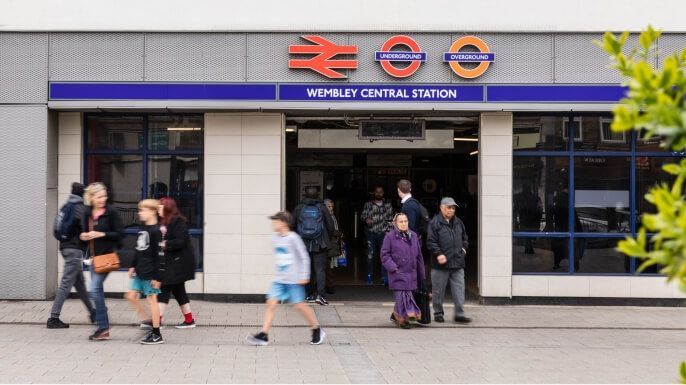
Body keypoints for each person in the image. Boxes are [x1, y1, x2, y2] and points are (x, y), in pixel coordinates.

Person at [246, 211, 326, 346]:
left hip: (294, 280)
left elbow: (304, 257)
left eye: (275, 221)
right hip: (280, 280)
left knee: (300, 306)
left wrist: (304, 276)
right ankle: (263, 335)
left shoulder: (293, 238)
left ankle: (316, 329)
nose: (273, 224)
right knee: (271, 303)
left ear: (283, 223)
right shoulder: (275, 238)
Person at [47, 182, 96, 329]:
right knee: (66, 284)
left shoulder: (66, 205)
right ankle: (53, 318)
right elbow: (84, 230)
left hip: (65, 248)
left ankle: (93, 312)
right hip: (74, 249)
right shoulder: (79, 208)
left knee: (79, 283)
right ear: (82, 194)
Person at [80, 182, 123, 341]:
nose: (102, 199)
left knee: (95, 289)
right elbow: (85, 234)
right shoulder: (87, 212)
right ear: (91, 197)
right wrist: (83, 237)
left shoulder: (111, 212)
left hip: (107, 257)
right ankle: (102, 324)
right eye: (99, 197)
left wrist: (101, 234)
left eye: (104, 196)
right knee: (97, 292)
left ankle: (103, 327)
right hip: (93, 259)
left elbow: (120, 233)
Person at [124, 199, 164, 345]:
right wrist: (132, 265)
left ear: (152, 211)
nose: (139, 213)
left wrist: (157, 276)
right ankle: (148, 321)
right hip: (140, 270)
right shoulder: (142, 228)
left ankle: (156, 333)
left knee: (152, 300)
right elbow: (137, 249)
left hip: (150, 272)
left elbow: (160, 255)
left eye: (142, 210)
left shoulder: (156, 231)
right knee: (130, 296)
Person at [426, 197, 471, 324]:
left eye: (453, 208)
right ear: (441, 208)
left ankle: (459, 314)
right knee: (438, 290)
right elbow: (430, 242)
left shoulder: (459, 222)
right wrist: (438, 253)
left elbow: (465, 238)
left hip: (457, 262)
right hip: (440, 264)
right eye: (448, 207)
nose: (451, 210)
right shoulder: (435, 223)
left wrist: (464, 250)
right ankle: (438, 313)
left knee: (459, 289)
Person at [156, 196, 197, 328]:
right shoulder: (163, 222)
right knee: (179, 291)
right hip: (172, 262)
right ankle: (189, 320)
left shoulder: (178, 221)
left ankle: (157, 320)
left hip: (179, 263)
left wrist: (166, 243)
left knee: (164, 288)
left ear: (167, 208)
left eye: (160, 206)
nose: (158, 209)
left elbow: (180, 241)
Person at [381, 213, 426, 329]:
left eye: (405, 221)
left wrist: (422, 275)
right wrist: (393, 268)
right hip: (397, 273)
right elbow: (384, 255)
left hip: (411, 273)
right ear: (395, 223)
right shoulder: (389, 236)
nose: (404, 223)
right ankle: (403, 321)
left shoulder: (414, 236)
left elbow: (419, 257)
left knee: (407, 296)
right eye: (401, 221)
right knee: (401, 298)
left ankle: (397, 315)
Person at [292, 186, 335, 306]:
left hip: (303, 244)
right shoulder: (322, 207)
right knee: (320, 270)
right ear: (318, 195)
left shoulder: (299, 208)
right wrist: (327, 238)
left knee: (307, 269)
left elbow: (292, 225)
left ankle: (308, 294)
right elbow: (331, 226)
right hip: (320, 244)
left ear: (305, 194)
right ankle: (320, 295)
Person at [360, 186, 393, 285]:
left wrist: (388, 231)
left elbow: (391, 220)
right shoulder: (368, 204)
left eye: (380, 192)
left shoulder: (388, 205)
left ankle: (384, 277)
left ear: (383, 193)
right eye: (377, 192)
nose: (379, 193)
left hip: (383, 234)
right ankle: (369, 276)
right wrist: (366, 219)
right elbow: (362, 216)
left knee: (384, 256)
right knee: (370, 256)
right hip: (371, 233)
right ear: (374, 193)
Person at [323, 199, 342, 295]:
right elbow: (330, 230)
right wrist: (339, 233)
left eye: (332, 206)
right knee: (328, 267)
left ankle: (329, 285)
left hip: (333, 243)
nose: (331, 208)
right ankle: (329, 286)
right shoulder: (325, 217)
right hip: (328, 244)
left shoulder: (332, 215)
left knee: (330, 266)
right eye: (329, 206)